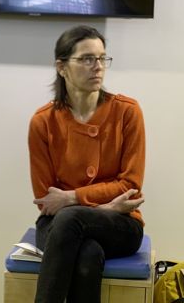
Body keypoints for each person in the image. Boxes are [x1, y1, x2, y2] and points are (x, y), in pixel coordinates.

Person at [28, 25, 146, 303]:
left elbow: (130, 186)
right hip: (58, 225)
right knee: (87, 253)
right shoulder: (42, 122)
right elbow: (46, 200)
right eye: (86, 59)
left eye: (102, 58)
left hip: (120, 224)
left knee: (71, 216)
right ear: (61, 67)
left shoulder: (127, 112)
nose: (98, 67)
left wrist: (74, 197)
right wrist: (105, 204)